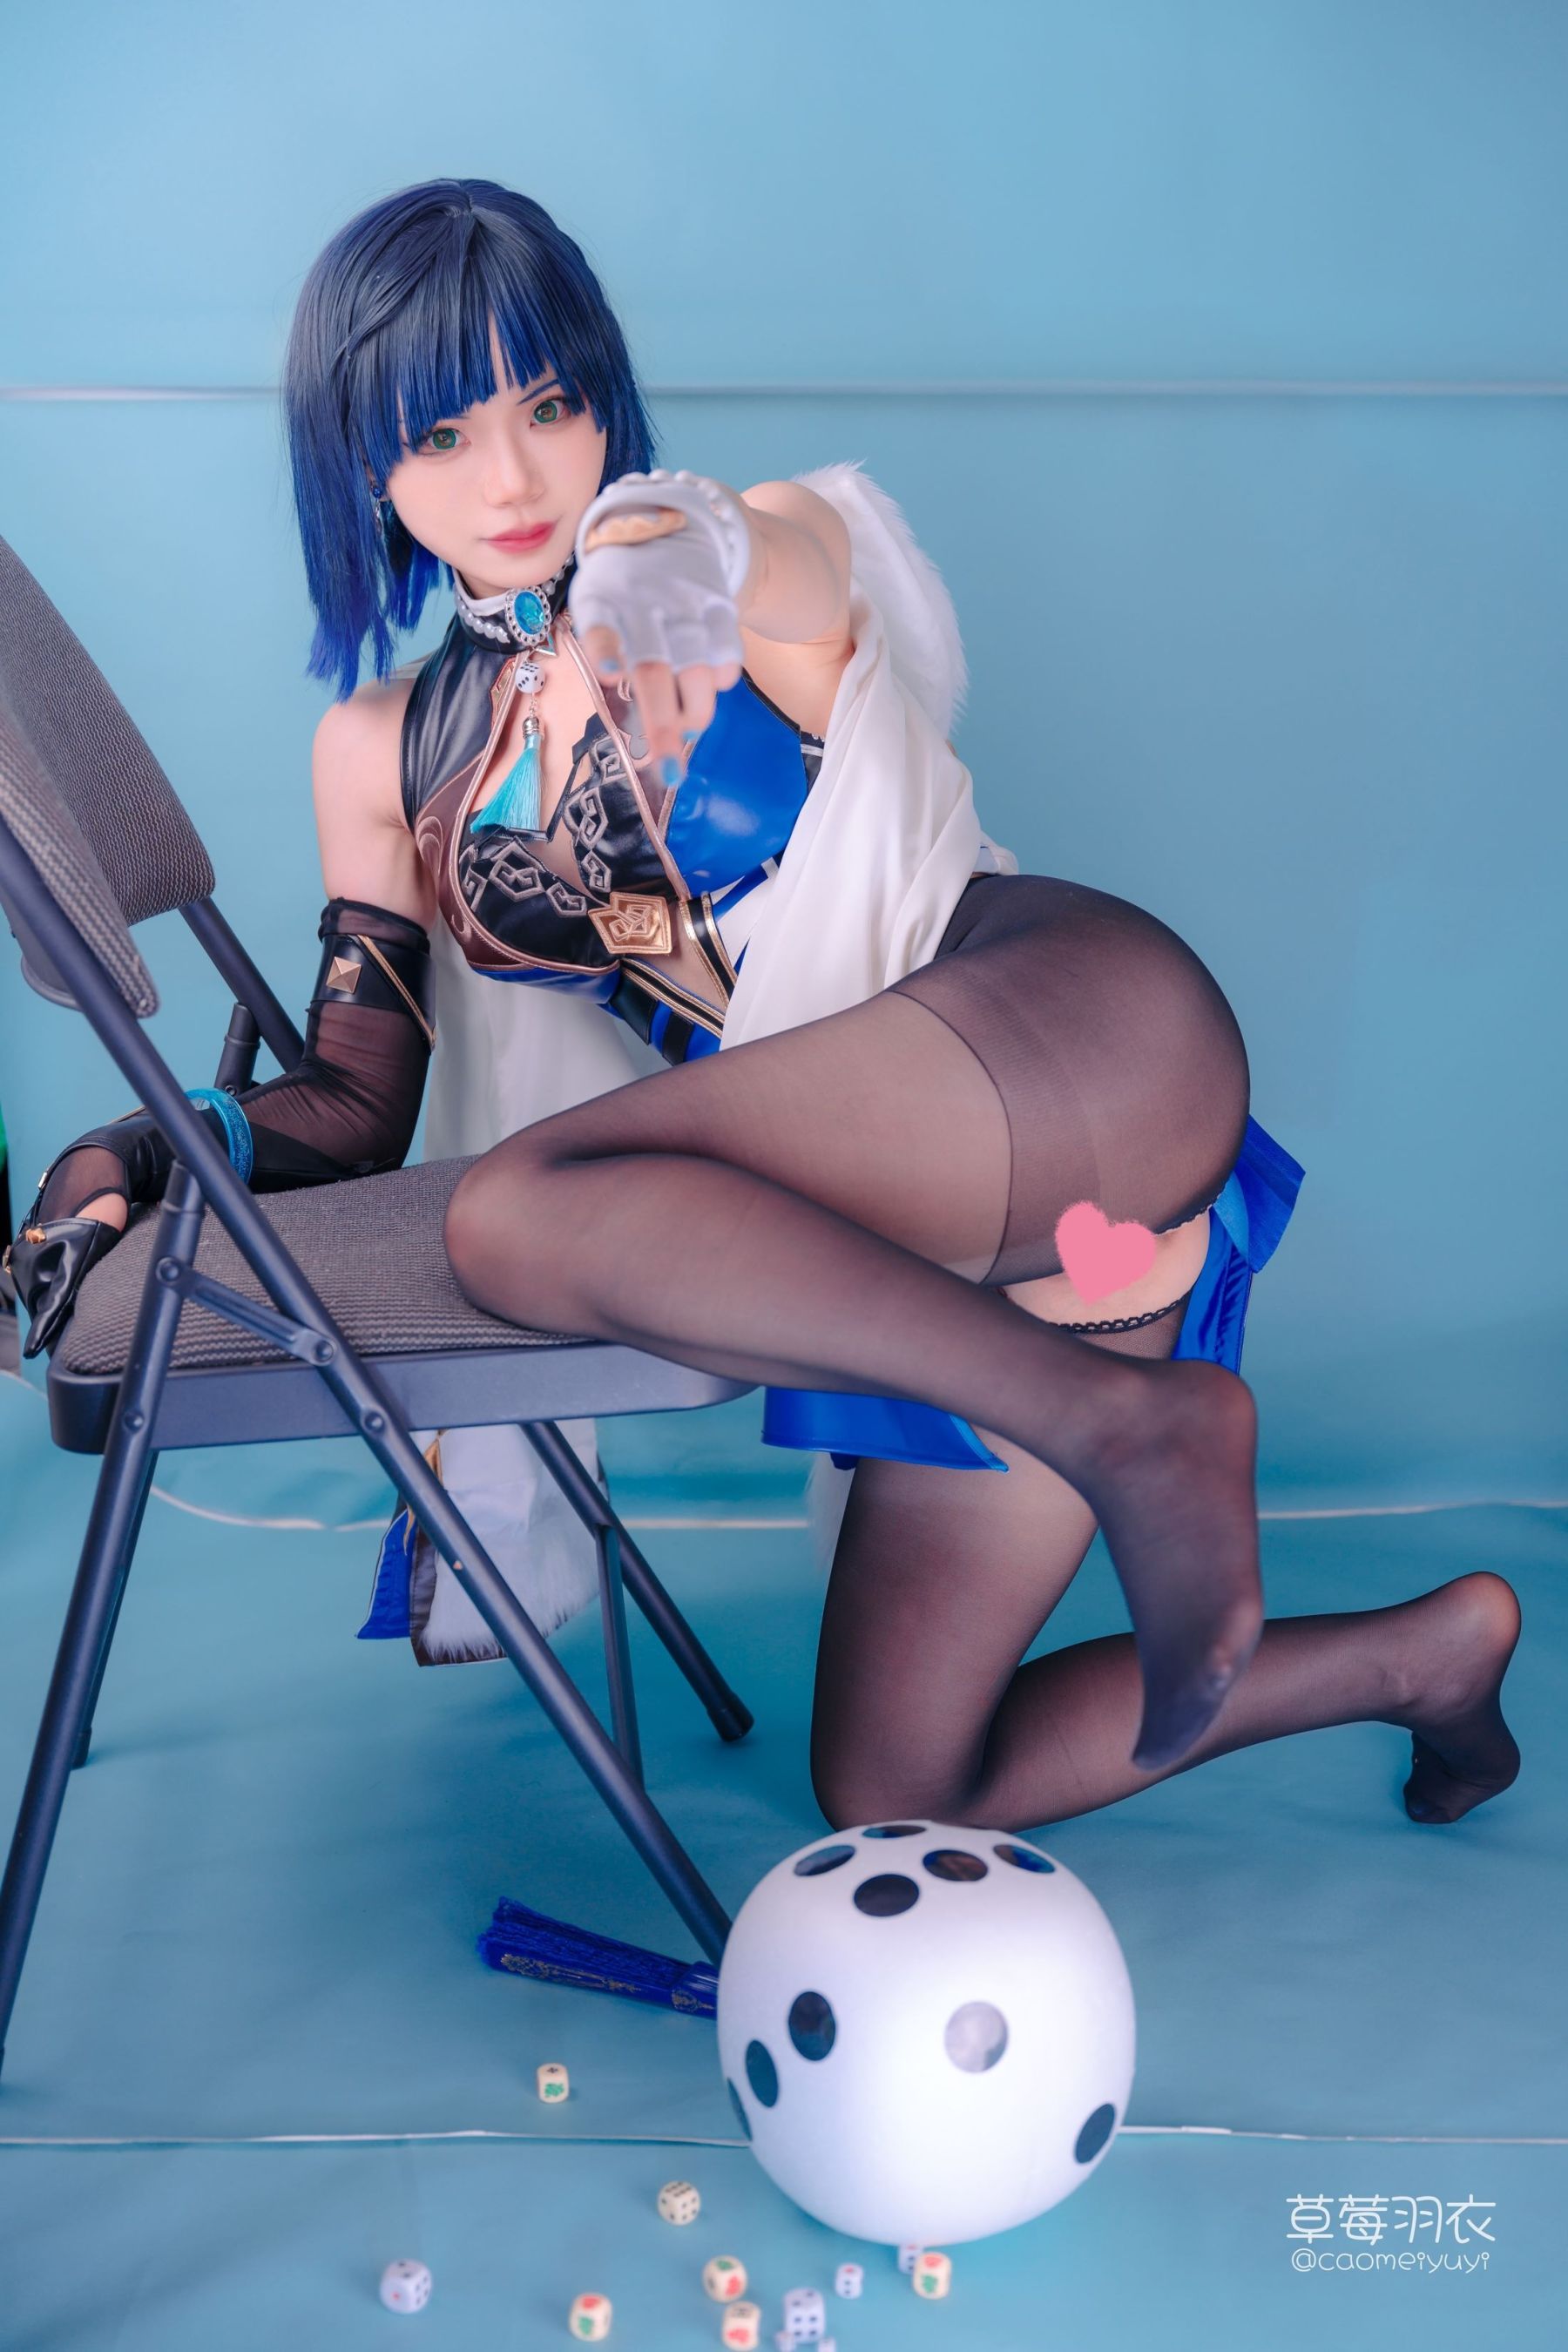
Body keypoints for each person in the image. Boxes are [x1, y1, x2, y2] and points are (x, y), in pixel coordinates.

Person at [8, 179, 1522, 1827]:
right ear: (360, 463)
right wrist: (137, 1149)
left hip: (1079, 1042)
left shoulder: (727, 573)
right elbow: (358, 1105)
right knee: (898, 1787)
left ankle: (1139, 1429)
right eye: (440, 434)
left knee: (517, 1213)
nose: (511, 477)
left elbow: (793, 544)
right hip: (967, 1244)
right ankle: (1421, 1656)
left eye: (550, 406)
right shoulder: (379, 751)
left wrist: (684, 550)